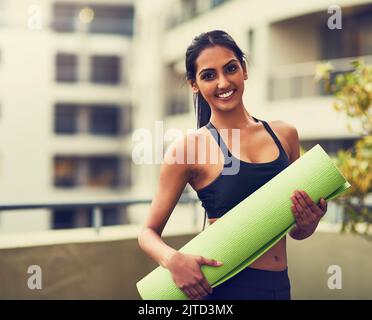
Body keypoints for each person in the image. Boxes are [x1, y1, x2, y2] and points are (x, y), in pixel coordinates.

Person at [137, 30, 328, 300]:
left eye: (230, 68)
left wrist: (309, 222)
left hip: (278, 286)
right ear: (194, 84)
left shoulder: (285, 135)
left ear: (244, 70)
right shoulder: (189, 148)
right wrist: (173, 260)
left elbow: (297, 232)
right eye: (208, 75)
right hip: (222, 287)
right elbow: (147, 233)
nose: (223, 82)